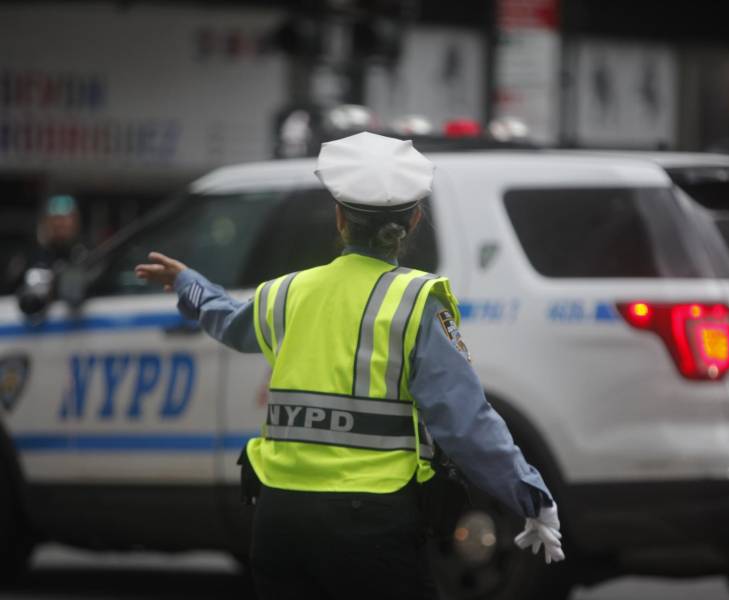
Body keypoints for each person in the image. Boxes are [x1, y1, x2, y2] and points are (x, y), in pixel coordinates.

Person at [135, 131, 563, 599]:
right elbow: (465, 422)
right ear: (415, 219)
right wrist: (530, 495)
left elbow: (227, 321)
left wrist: (188, 282)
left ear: (339, 219)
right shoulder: (415, 302)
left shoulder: (284, 293)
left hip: (279, 520)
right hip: (369, 524)